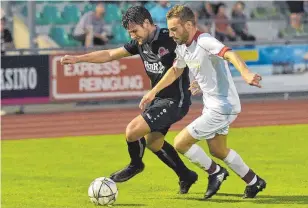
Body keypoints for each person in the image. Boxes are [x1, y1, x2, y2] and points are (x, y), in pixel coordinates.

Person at [61, 6, 198, 194]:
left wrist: (199, 78)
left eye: (135, 31)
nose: (133, 35)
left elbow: (194, 53)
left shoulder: (169, 37)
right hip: (159, 99)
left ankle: (135, 164)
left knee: (133, 131)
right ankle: (186, 175)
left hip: (177, 100)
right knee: (154, 143)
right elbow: (110, 54)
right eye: (130, 32)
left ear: (147, 23)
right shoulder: (139, 42)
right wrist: (78, 59)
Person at [139, 5, 267, 199]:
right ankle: (254, 181)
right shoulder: (182, 46)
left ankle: (216, 173)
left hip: (223, 106)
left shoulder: (205, 40)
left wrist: (246, 73)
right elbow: (176, 70)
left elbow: (229, 53)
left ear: (188, 25)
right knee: (218, 150)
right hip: (212, 105)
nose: (171, 34)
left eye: (174, 29)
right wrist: (153, 92)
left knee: (181, 142)